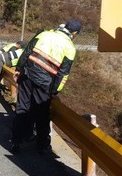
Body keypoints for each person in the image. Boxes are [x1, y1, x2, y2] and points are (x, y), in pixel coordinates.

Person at [10, 20, 81, 153]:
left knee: (22, 108)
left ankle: (16, 141)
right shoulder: (70, 47)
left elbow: (27, 52)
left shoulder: (44, 34)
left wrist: (19, 69)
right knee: (42, 115)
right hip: (44, 83)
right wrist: (54, 91)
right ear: (74, 33)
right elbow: (63, 74)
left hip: (27, 76)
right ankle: (42, 146)